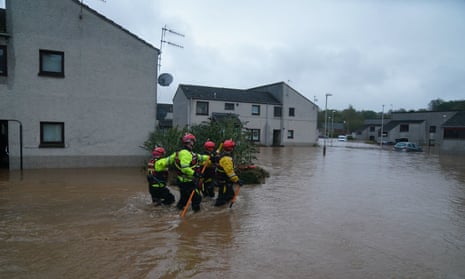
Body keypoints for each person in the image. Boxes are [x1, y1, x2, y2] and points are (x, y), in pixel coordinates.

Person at [168, 133, 209, 212]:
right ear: (190, 142)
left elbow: (199, 157)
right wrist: (195, 173)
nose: (193, 144)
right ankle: (196, 215)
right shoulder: (185, 153)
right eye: (192, 142)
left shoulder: (182, 152)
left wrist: (210, 157)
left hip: (183, 181)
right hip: (187, 182)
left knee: (184, 199)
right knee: (197, 198)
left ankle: (178, 211)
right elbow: (185, 168)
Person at [214, 139, 243, 206]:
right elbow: (230, 173)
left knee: (229, 196)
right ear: (231, 148)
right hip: (225, 182)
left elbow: (217, 153)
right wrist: (238, 180)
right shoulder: (227, 159)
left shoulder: (221, 155)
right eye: (233, 147)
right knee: (221, 200)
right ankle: (220, 213)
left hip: (223, 181)